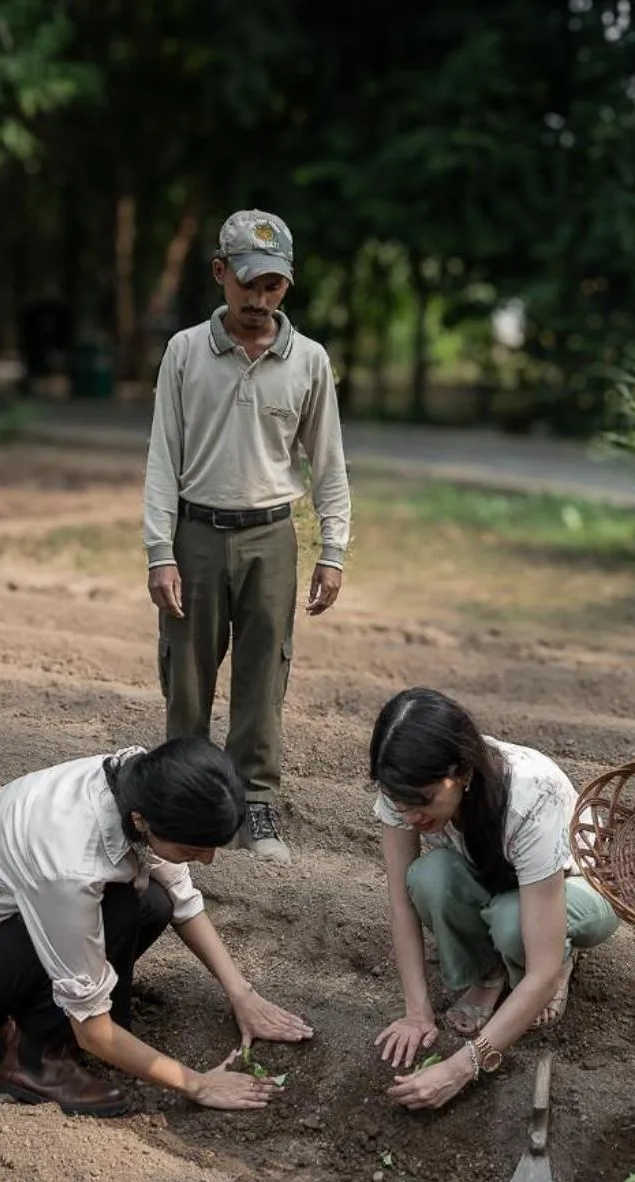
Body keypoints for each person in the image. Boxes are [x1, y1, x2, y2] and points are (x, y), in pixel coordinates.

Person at [0, 736, 313, 1115]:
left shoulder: (140, 780)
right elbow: (93, 1029)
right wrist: (195, 1083)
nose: (207, 859)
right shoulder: (70, 862)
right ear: (144, 821)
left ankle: (23, 1018)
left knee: (152, 902)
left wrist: (243, 995)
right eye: (193, 847)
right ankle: (37, 1063)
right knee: (117, 907)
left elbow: (181, 898)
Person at [142, 209, 352, 867]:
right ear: (220, 274)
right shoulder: (184, 352)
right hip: (197, 533)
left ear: (287, 286)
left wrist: (334, 550)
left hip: (271, 538)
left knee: (264, 678)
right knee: (188, 679)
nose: (259, 300)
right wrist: (160, 551)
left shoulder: (309, 362)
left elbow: (329, 462)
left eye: (273, 287)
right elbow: (161, 459)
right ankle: (184, 802)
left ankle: (255, 802)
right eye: (248, 284)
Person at [367, 687, 619, 1111]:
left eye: (424, 801)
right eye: (399, 801)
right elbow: (401, 905)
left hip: (581, 888)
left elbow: (537, 972)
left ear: (461, 772)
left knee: (512, 919)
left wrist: (461, 1067)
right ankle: (488, 972)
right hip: (504, 880)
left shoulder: (530, 796)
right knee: (428, 878)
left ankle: (563, 958)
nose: (410, 816)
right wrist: (417, 1012)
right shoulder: (404, 786)